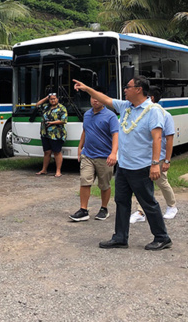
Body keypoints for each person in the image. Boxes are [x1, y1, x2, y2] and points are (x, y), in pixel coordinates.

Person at [73, 76, 172, 250]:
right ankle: (120, 237)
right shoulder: (126, 107)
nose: (125, 89)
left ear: (139, 89)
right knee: (121, 201)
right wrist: (87, 88)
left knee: (148, 202)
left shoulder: (152, 110)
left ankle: (162, 237)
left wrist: (155, 163)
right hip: (124, 166)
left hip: (141, 167)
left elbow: (157, 137)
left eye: (128, 87)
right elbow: (105, 99)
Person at [69, 88, 119, 222]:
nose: (95, 100)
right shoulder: (87, 114)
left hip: (104, 156)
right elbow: (85, 131)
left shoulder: (111, 116)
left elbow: (116, 135)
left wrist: (114, 153)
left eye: (98, 97)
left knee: (104, 185)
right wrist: (80, 147)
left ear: (104, 99)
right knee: (85, 181)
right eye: (92, 97)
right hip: (88, 155)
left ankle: (104, 208)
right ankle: (83, 210)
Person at [130, 86, 178, 223]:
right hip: (143, 156)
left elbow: (169, 139)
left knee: (161, 181)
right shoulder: (141, 114)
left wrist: (167, 160)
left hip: (160, 156)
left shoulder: (165, 115)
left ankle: (172, 206)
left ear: (151, 98)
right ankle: (141, 211)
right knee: (142, 184)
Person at [35, 92, 68, 177]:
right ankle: (44, 170)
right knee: (46, 152)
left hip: (56, 134)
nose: (53, 100)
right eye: (51, 99)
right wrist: (46, 98)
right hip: (45, 133)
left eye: (54, 98)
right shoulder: (46, 107)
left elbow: (64, 120)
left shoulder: (62, 108)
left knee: (57, 152)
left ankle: (58, 171)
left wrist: (52, 123)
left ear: (57, 99)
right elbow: (37, 105)